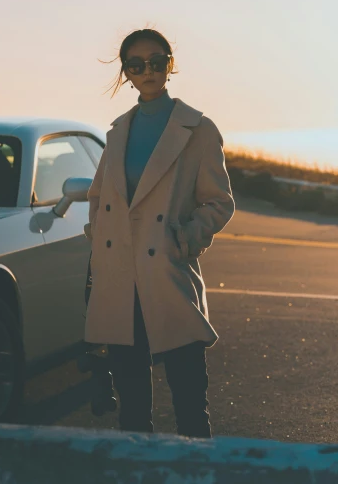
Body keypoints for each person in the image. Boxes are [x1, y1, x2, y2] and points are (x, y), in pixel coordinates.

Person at [84, 28, 235, 436]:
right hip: (120, 280)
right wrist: (99, 240)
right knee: (132, 416)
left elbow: (219, 202)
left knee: (191, 408)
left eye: (156, 61)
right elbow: (100, 197)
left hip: (167, 272)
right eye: (136, 64)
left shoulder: (197, 129)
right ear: (126, 73)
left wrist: (184, 238)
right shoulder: (118, 131)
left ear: (170, 64)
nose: (147, 70)